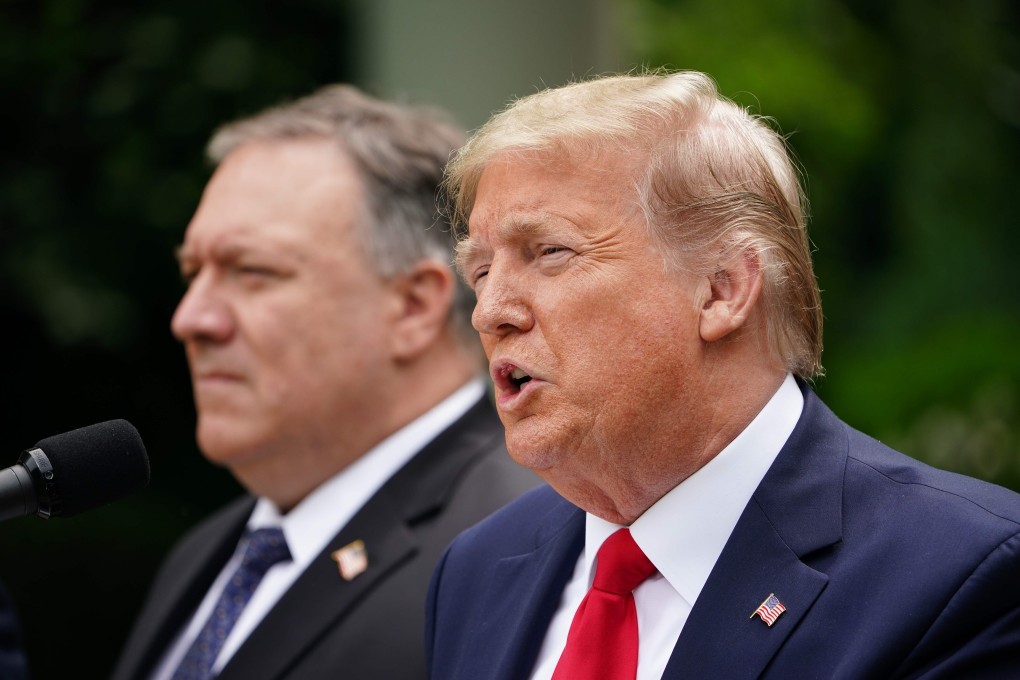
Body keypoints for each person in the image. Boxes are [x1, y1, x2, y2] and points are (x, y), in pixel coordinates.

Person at [425, 71, 1020, 679]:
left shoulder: (964, 575)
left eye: (550, 252)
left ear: (722, 289)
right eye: (480, 271)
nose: (490, 311)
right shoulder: (475, 572)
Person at [111, 84, 537, 680]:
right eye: (193, 272)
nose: (192, 319)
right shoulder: (210, 553)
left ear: (413, 307)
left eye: (252, 272)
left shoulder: (524, 542)